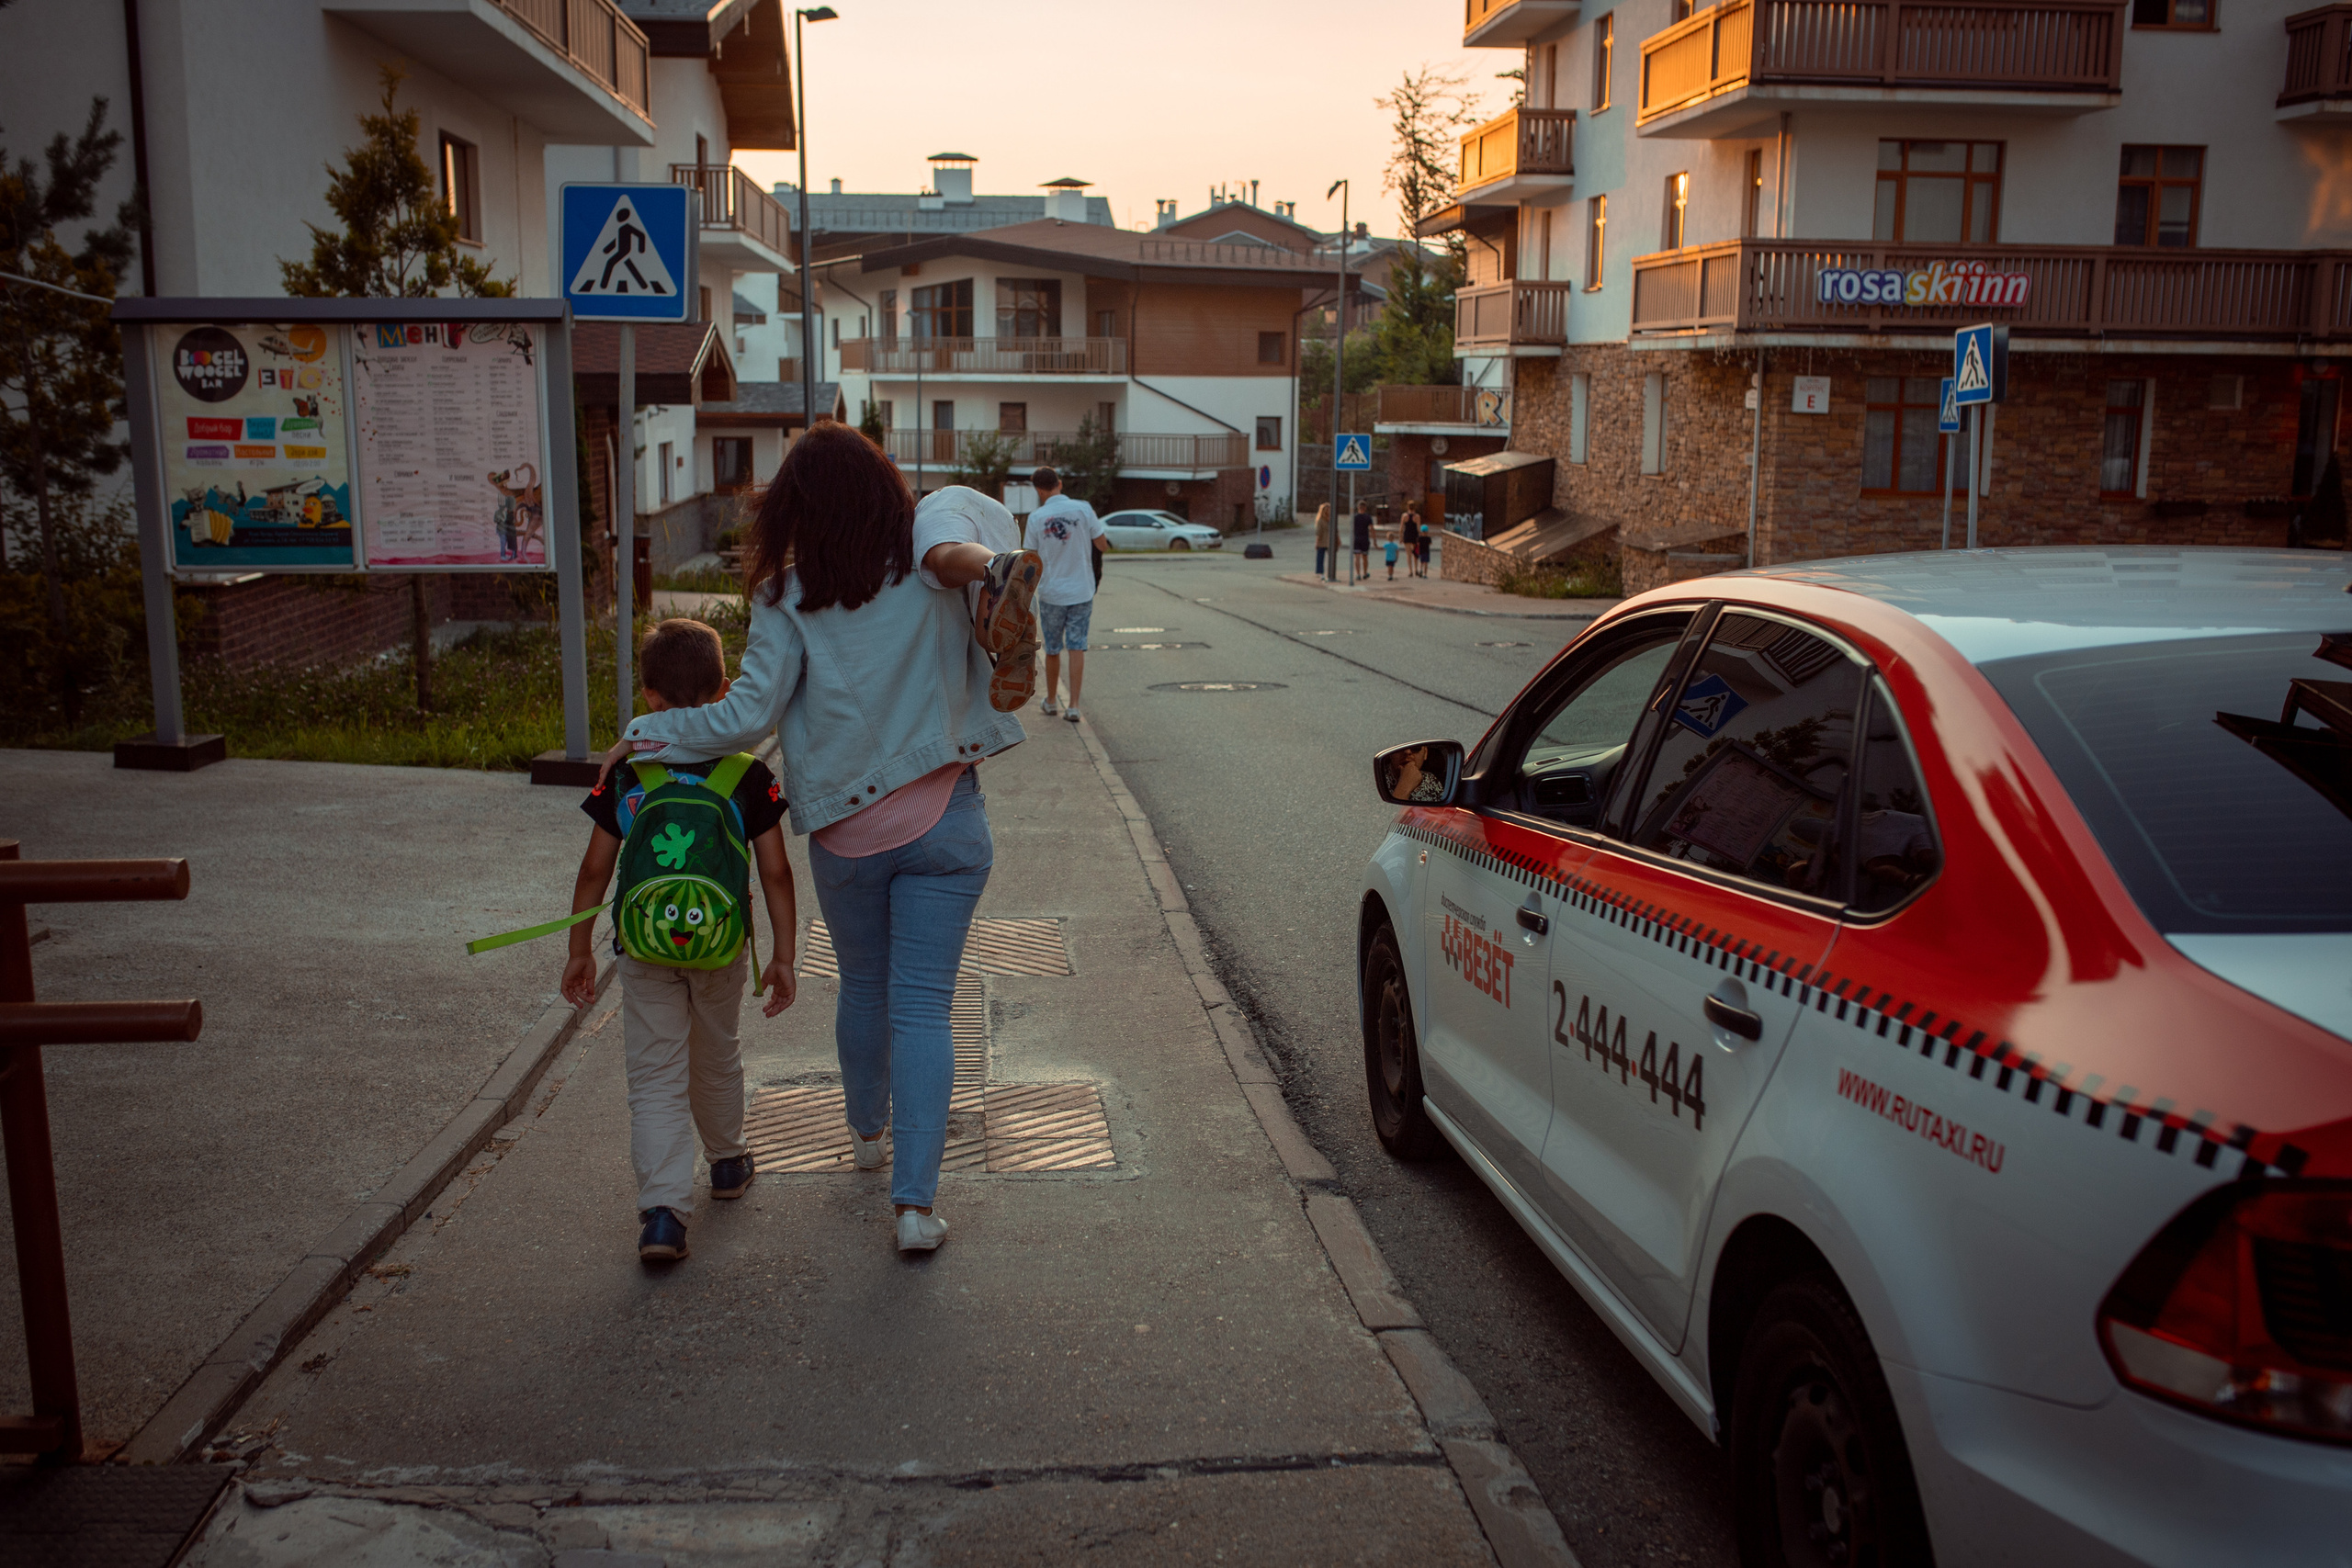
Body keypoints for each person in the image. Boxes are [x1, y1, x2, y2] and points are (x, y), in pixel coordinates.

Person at [603, 423, 1032, 1254]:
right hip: (947, 813)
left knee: (864, 987)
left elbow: (746, 717)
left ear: (795, 511)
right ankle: (915, 1208)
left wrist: (645, 733)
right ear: (884, 493)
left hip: (847, 834)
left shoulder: (784, 599)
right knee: (923, 1006)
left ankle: (867, 1133)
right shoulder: (933, 573)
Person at [560, 618, 798, 1263]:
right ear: (725, 689)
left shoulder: (629, 770)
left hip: (643, 949)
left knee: (656, 1073)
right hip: (720, 946)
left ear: (649, 697)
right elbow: (775, 870)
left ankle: (664, 1213)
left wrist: (580, 947)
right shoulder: (748, 774)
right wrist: (783, 953)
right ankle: (726, 1163)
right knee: (717, 1052)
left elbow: (593, 869)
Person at [1022, 466, 1108, 724]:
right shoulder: (1083, 509)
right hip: (1082, 589)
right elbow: (1102, 544)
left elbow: (1030, 558)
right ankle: (1073, 706)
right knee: (1077, 645)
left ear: (1038, 490)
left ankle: (1051, 701)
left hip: (1052, 593)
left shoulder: (1037, 518)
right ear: (1060, 484)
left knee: (1052, 649)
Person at [1351, 502, 1374, 581]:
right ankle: (1365, 572)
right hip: (1365, 539)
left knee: (1357, 557)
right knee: (1365, 557)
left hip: (1357, 538)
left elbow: (1352, 528)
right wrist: (1374, 540)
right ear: (1365, 508)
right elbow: (1372, 529)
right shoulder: (1368, 517)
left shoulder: (1355, 517)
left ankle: (1358, 574)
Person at [1399, 507, 1422, 581]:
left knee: (1408, 554)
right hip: (1414, 536)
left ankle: (1410, 571)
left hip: (1407, 536)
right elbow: (1419, 528)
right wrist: (1420, 536)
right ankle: (1416, 569)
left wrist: (1401, 537)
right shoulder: (1417, 516)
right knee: (1415, 553)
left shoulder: (1404, 516)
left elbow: (1401, 528)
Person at [1313, 502, 1333, 577]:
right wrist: (1317, 543)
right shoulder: (1320, 521)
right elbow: (1318, 533)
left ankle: (1331, 571)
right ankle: (1320, 572)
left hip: (1330, 541)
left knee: (1331, 557)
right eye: (1327, 510)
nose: (1328, 512)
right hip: (1322, 541)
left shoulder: (1332, 520)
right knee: (1320, 557)